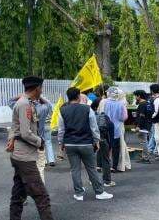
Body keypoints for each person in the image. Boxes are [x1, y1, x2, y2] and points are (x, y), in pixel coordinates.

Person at [7, 76, 53, 220]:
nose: (42, 91)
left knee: (18, 194)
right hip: (24, 157)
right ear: (37, 88)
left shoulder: (26, 103)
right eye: (41, 88)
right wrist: (40, 142)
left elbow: (16, 128)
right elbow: (26, 133)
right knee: (42, 196)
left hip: (21, 155)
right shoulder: (25, 104)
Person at [58, 87, 113, 201]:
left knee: (75, 169)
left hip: (70, 144)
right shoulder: (87, 109)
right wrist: (96, 141)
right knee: (91, 168)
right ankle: (99, 192)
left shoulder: (62, 110)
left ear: (68, 97)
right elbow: (94, 127)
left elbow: (61, 130)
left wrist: (61, 143)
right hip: (86, 143)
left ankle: (79, 193)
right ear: (78, 96)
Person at [100, 87, 130, 172]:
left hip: (104, 127)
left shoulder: (104, 102)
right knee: (116, 148)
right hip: (117, 128)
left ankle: (103, 165)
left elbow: (100, 113)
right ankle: (114, 166)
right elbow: (124, 117)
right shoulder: (121, 104)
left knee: (105, 147)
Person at [91, 98, 115, 186]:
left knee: (91, 162)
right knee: (106, 160)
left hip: (92, 140)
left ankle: (93, 180)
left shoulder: (91, 115)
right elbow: (111, 131)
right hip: (103, 140)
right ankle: (107, 181)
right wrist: (111, 145)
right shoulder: (106, 117)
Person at [134, 90, 153, 164]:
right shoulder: (148, 103)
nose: (135, 97)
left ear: (139, 96)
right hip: (148, 124)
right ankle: (145, 157)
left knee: (143, 142)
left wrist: (138, 126)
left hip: (142, 126)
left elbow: (141, 116)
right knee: (145, 141)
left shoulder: (142, 104)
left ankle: (146, 158)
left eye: (136, 96)